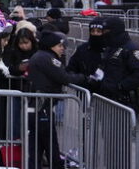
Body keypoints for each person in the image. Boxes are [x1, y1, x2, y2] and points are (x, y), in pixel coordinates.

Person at [25, 31, 90, 169]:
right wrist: (83, 78)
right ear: (51, 46)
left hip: (37, 106)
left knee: (37, 145)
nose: (62, 48)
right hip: (42, 107)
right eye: (59, 46)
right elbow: (64, 78)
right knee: (49, 144)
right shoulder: (48, 59)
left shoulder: (40, 56)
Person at [97, 16, 139, 110]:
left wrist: (120, 86)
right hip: (109, 100)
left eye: (107, 31)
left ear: (115, 31)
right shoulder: (110, 48)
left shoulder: (132, 49)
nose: (104, 34)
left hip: (126, 103)